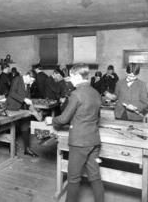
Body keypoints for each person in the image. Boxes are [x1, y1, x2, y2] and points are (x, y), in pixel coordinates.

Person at [45, 63, 104, 202]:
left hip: (79, 142)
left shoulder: (76, 94)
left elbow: (64, 118)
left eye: (71, 77)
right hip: (94, 140)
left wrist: (52, 120)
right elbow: (98, 118)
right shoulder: (95, 93)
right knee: (95, 177)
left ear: (78, 76)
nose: (70, 80)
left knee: (73, 178)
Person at [5, 71, 38, 157]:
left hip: (22, 108)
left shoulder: (27, 83)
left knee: (25, 126)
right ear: (27, 76)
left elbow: (28, 96)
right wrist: (24, 99)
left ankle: (27, 149)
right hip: (12, 107)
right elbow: (12, 93)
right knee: (13, 127)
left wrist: (32, 106)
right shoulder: (17, 79)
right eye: (31, 80)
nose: (31, 83)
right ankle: (11, 149)